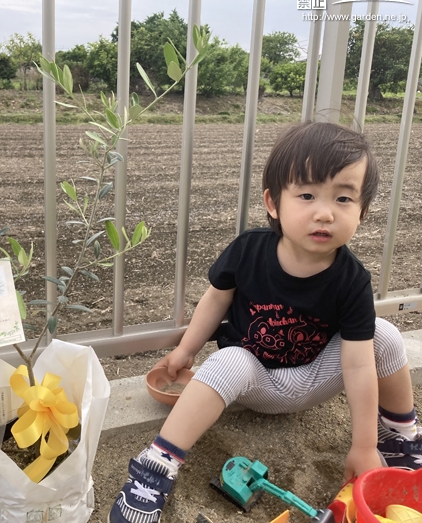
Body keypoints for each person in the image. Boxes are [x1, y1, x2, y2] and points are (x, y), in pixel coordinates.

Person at [107, 121, 421, 523]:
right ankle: (156, 466)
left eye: (343, 198)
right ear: (274, 203)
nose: (324, 212)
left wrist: (361, 445)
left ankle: (399, 435)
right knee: (226, 361)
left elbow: (358, 363)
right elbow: (216, 299)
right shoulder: (248, 250)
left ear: (362, 210)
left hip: (313, 378)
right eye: (307, 195)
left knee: (384, 335)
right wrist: (186, 349)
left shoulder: (352, 278)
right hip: (257, 380)